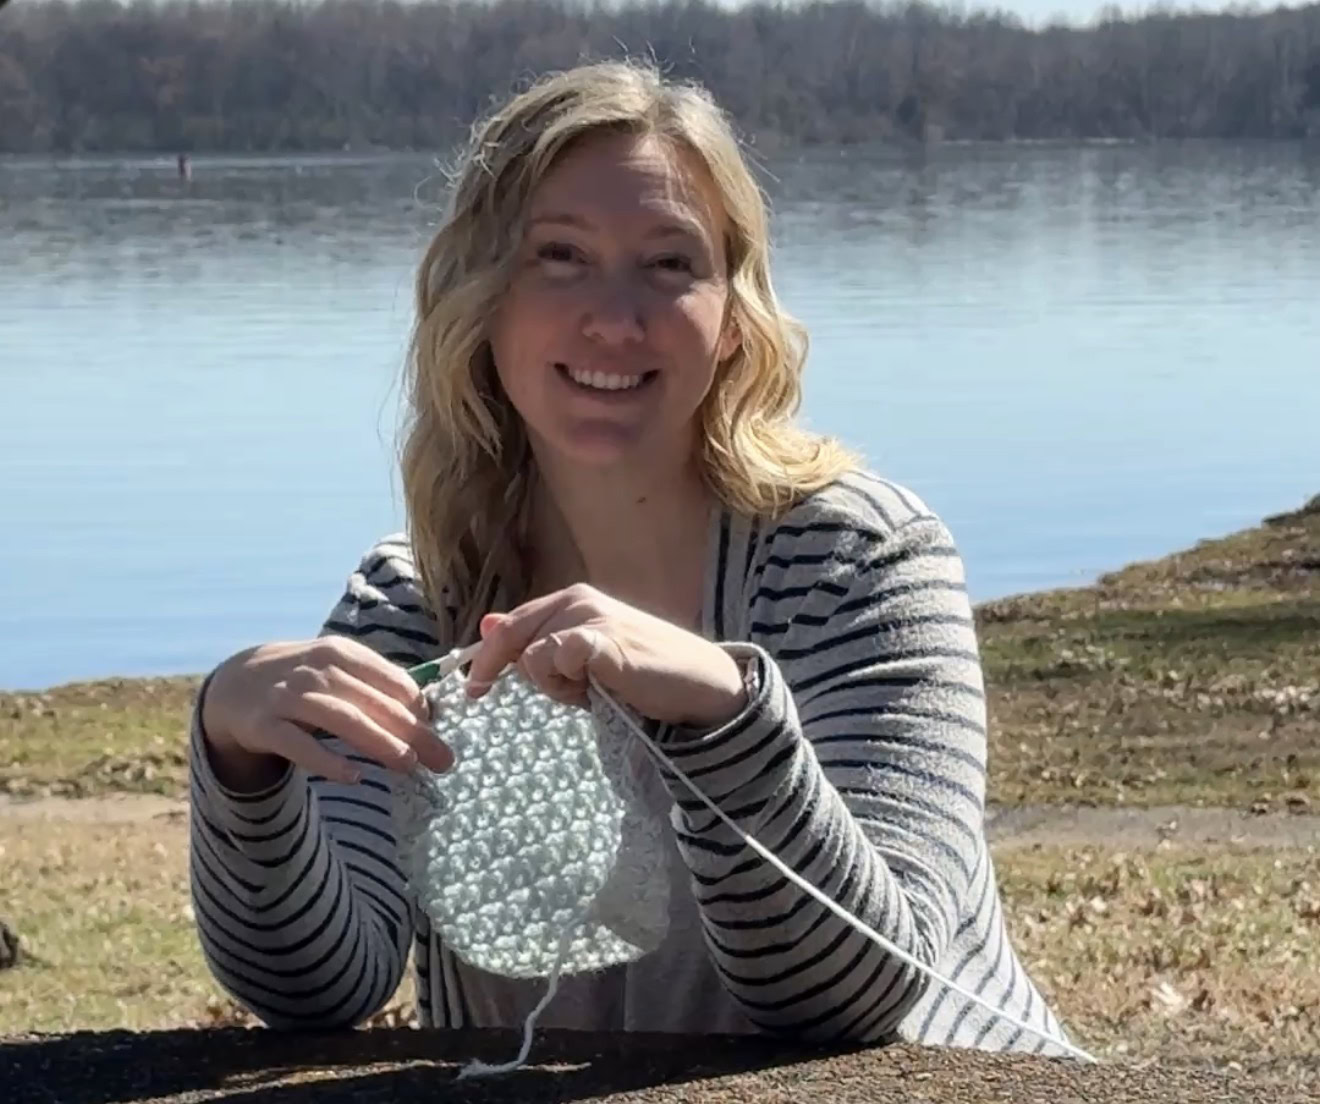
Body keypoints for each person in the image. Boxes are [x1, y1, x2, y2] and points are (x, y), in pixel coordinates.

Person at [188, 60, 1075, 1056]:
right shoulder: (418, 602)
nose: (614, 317)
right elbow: (318, 989)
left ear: (734, 318)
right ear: (481, 301)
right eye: (559, 256)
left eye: (668, 264)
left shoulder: (860, 563)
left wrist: (721, 708)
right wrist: (239, 762)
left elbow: (863, 995)